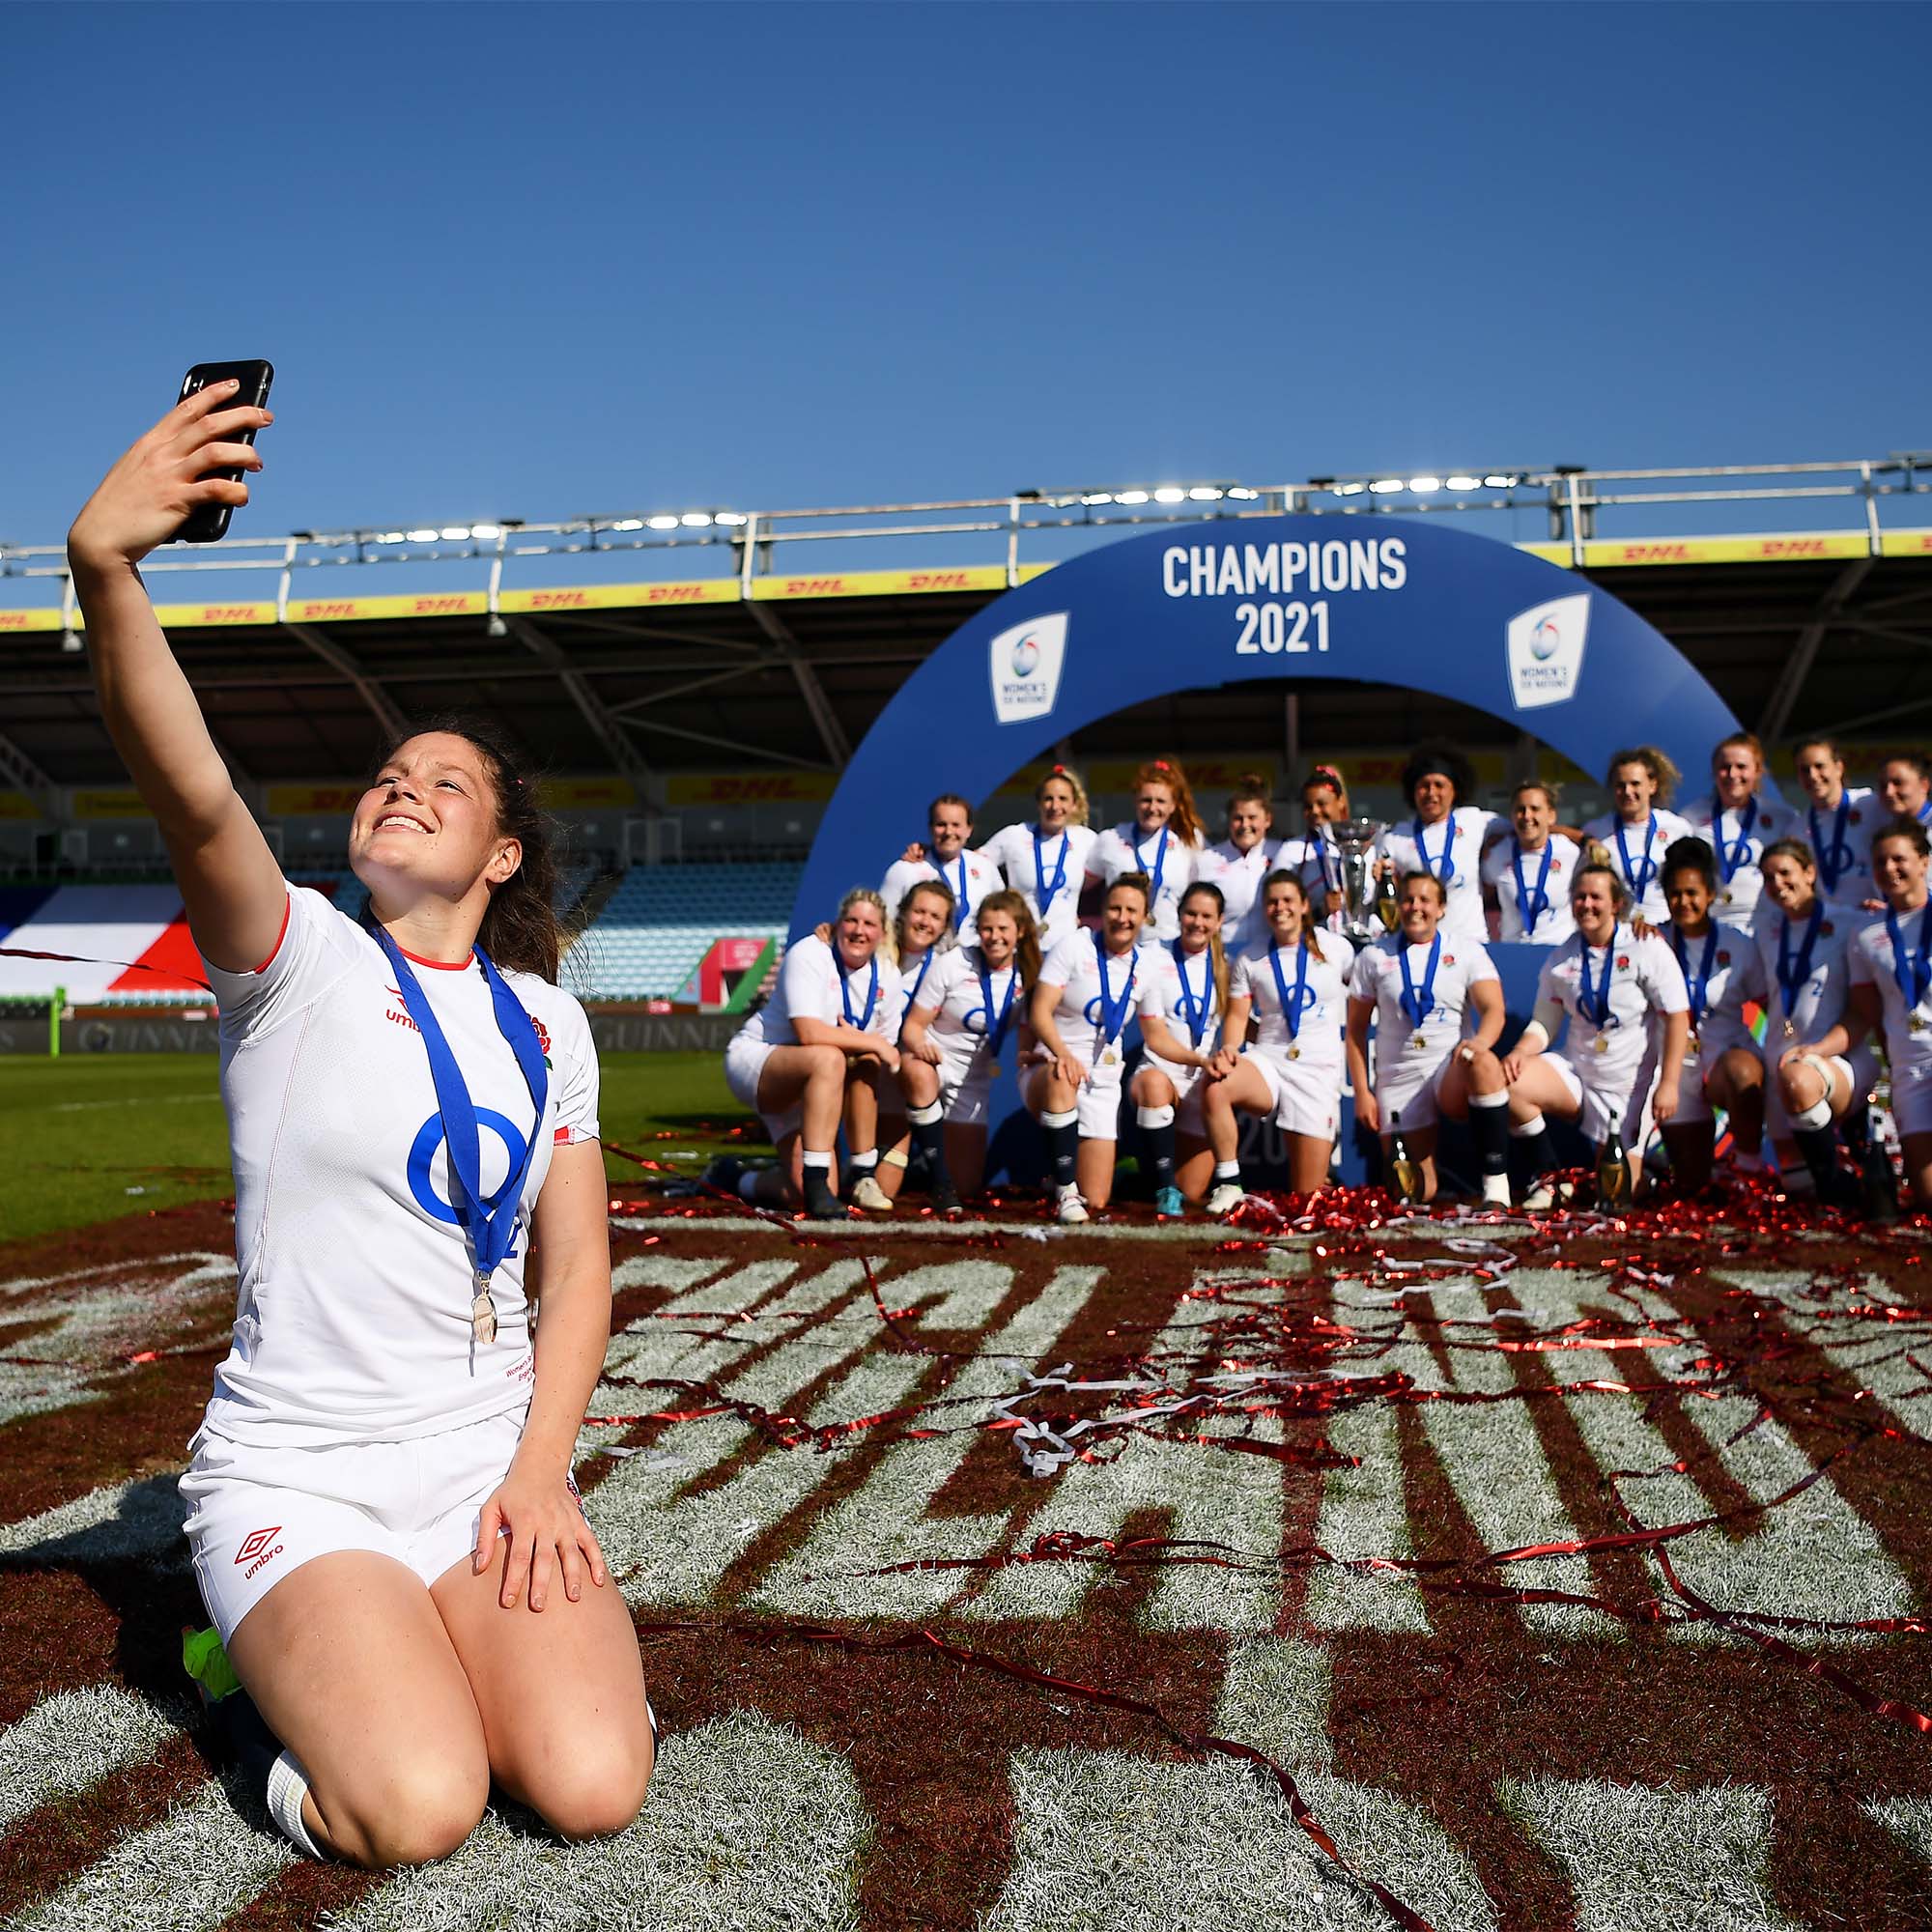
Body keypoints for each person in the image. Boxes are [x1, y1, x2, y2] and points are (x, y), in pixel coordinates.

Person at [71, 386, 652, 1868]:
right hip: (303, 1476)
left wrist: (538, 1470)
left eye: (445, 784)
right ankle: (242, 1687)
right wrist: (107, 569)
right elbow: (193, 791)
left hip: (480, 1466)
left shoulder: (549, 1022)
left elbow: (578, 1269)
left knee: (592, 1785)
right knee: (416, 1807)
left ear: (501, 855)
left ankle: (406, 1648)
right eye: (392, 775)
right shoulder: (298, 962)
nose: (404, 785)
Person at [1499, 861, 1690, 1208]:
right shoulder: (1562, 958)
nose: (1587, 904)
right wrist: (1521, 1051)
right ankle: (1550, 1179)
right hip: (1580, 1075)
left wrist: (1670, 1083)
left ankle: (1646, 1175)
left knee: (1616, 1194)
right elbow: (1544, 1024)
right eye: (1580, 897)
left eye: (1596, 897)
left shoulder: (1645, 946)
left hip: (1630, 1085)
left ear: (1616, 904)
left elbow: (1676, 1016)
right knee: (1510, 1082)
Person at [722, 888, 904, 1217]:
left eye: (869, 924)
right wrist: (872, 1041)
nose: (859, 930)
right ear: (837, 924)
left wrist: (868, 1045)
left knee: (800, 1194)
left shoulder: (888, 975)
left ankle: (736, 1177)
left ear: (882, 932)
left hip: (813, 1081)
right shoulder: (811, 952)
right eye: (851, 920)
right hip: (763, 1059)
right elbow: (809, 1033)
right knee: (830, 1057)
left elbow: (875, 1054)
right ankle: (818, 1182)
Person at [1345, 870, 1510, 1205]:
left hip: (1450, 1070)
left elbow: (1494, 1010)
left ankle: (1496, 1187)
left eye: (1425, 900)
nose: (1415, 907)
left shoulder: (1466, 950)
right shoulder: (1375, 956)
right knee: (1413, 1191)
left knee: (1484, 1062)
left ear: (1441, 908)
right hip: (1400, 1077)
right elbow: (1356, 1030)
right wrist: (1362, 1091)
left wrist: (1479, 1043)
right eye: (1408, 900)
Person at [1204, 868, 1356, 1210]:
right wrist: (1229, 1050)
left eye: (1288, 900)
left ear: (1304, 905)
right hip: (1269, 1060)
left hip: (1317, 1069)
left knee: (1306, 1200)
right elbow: (1238, 1016)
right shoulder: (1251, 956)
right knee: (1217, 1085)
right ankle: (1229, 1183)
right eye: (1272, 902)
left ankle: (1323, 1178)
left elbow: (1363, 994)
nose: (1280, 908)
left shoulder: (1336, 948)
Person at [1746, 837, 1876, 1204]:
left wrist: (1817, 1049)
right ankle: (1842, 1170)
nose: (1777, 884)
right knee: (1798, 1188)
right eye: (1768, 878)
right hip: (1782, 1058)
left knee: (1799, 1081)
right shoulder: (1766, 931)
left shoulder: (1850, 922)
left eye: (1785, 873)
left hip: (1835, 1056)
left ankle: (1849, 1157)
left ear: (1809, 872)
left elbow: (1863, 1010)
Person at [896, 889, 1040, 1213]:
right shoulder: (953, 963)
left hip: (974, 1079)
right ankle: (938, 1181)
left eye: (1003, 929)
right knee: (919, 1073)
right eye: (987, 928)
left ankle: (929, 1166)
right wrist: (921, 1046)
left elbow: (1026, 1035)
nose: (994, 937)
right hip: (935, 1061)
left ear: (1020, 931)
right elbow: (913, 1026)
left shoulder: (1029, 973)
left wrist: (1027, 1055)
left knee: (968, 1187)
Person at [1027, 873, 1161, 1222]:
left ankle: (1059, 1177)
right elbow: (1039, 1011)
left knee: (1098, 1199)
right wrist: (1062, 1053)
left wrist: (1201, 1061)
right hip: (1052, 1066)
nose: (1122, 917)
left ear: (1145, 917)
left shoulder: (1147, 965)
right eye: (1115, 908)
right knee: (1062, 1076)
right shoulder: (1074, 946)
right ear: (1102, 910)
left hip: (1102, 1081)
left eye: (1131, 910)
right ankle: (1065, 1191)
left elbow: (1157, 1035)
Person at [1655, 838, 1760, 1191]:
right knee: (1692, 1185)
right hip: (1675, 1066)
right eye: (1675, 894)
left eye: (1692, 893)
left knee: (1744, 1073)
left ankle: (1749, 1169)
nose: (1683, 902)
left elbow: (1769, 1003)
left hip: (1723, 1058)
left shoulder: (1737, 944)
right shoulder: (1651, 941)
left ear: (1711, 894)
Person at [1840, 819, 1932, 1208]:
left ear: (1924, 862)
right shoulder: (1865, 933)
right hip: (1909, 1068)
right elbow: (1868, 1010)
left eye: (1899, 859)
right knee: (1926, 1197)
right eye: (1880, 862)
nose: (1889, 869)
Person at [1131, 880, 1232, 1215]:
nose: (1197, 923)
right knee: (1153, 1084)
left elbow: (1241, 1020)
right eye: (1191, 914)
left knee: (1192, 1190)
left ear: (1219, 921)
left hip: (1201, 1081)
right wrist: (1201, 1060)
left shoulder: (1225, 965)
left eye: (1206, 916)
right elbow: (1155, 1036)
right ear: (1179, 914)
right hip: (1161, 1069)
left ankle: (1136, 1173)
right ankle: (1163, 1188)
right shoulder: (1153, 955)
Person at [870, 879, 957, 1208]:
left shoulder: (945, 964)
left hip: (900, 1072)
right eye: (919, 912)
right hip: (862, 1062)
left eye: (935, 917)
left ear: (945, 926)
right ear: (904, 913)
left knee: (884, 1191)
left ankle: (936, 1178)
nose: (925, 922)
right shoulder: (874, 950)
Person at [1375, 743, 1498, 945]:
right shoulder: (1396, 836)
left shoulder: (1474, 820)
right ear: (1413, 791)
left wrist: (1493, 847)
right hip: (1419, 946)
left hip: (1470, 943)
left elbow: (1527, 831)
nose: (1431, 792)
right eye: (1424, 785)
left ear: (1454, 790)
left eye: (1439, 785)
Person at [981, 764, 1097, 956]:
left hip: (1065, 949)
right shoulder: (1014, 835)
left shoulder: (1086, 839)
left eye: (1063, 799)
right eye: (1048, 798)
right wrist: (998, 896)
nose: (1055, 806)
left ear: (1074, 804)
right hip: (1021, 947)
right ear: (1039, 803)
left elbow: (1112, 868)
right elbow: (974, 865)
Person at [1680, 732, 1789, 930]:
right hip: (1712, 923)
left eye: (1741, 767)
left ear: (1757, 770)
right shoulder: (1691, 816)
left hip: (1767, 923)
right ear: (1714, 771)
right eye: (1724, 767)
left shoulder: (1781, 817)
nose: (1732, 774)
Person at [1086, 758, 1205, 941]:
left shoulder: (1189, 840)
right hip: (1121, 944)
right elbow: (1080, 885)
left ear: (1173, 806)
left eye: (1161, 801)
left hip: (1169, 945)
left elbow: (1200, 895)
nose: (1152, 808)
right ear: (1136, 801)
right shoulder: (1111, 839)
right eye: (1146, 800)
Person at [1581, 748, 1695, 925]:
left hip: (1666, 928)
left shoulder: (1677, 828)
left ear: (1652, 786)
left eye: (1635, 784)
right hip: (1619, 929)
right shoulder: (1596, 830)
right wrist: (1582, 838)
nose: (1627, 791)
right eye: (1620, 785)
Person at [1480, 779, 1580, 944]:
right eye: (1520, 809)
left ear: (1551, 816)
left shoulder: (1570, 853)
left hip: (1558, 952)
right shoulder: (1497, 853)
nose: (1527, 816)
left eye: (1535, 809)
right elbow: (1481, 895)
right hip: (1513, 952)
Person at [880, 793, 999, 933]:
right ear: (930, 828)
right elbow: (884, 923)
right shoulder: (905, 869)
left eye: (956, 825)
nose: (948, 832)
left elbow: (1003, 913)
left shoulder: (985, 867)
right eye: (941, 825)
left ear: (969, 830)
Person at [1197, 774, 1284, 956]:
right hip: (1222, 955)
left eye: (1252, 817)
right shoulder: (1207, 860)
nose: (1245, 825)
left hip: (1269, 955)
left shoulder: (1282, 853)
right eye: (1238, 818)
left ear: (1267, 820)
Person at [1792, 737, 1879, 917]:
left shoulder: (1870, 804)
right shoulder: (1796, 829)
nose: (1812, 775)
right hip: (1831, 924)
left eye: (1819, 766)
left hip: (1875, 918)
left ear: (1839, 768)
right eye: (1804, 770)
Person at [1274, 764, 1351, 928]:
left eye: (1321, 803)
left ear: (1340, 802)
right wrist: (1319, 911)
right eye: (1308, 806)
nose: (1314, 811)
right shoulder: (1291, 850)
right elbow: (1275, 907)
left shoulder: (1361, 845)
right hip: (1315, 939)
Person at [1879, 751, 1932, 830]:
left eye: (1898, 783)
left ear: (1924, 786)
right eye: (1883, 785)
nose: (1888, 792)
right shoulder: (1878, 825)